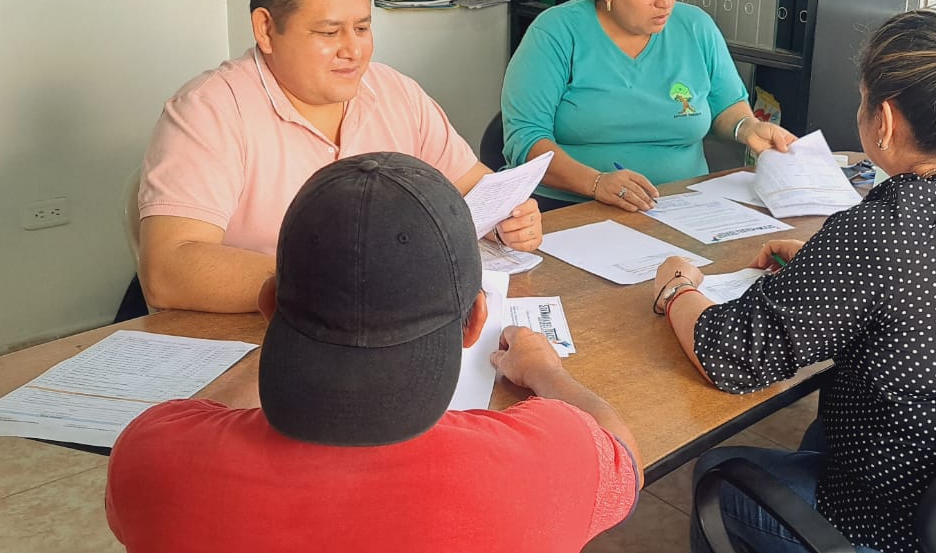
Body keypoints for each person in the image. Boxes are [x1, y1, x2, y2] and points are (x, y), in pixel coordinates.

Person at [650, 0, 936, 553]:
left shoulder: (883, 232)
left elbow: (730, 356)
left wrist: (677, 285)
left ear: (884, 120)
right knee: (822, 432)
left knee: (720, 474)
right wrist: (826, 266)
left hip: (911, 527)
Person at [107, 152, 640, 552]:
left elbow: (195, 417)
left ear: (269, 304)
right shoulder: (548, 459)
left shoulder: (152, 458)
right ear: (476, 319)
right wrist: (547, 372)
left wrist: (292, 327)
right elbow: (623, 459)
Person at [137, 0, 542, 314]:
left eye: (362, 28)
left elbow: (474, 190)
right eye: (329, 32)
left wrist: (507, 222)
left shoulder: (396, 93)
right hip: (264, 331)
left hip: (390, 327)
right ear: (266, 29)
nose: (354, 50)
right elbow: (168, 270)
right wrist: (341, 282)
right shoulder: (208, 111)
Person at [500, 0, 798, 212]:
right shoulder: (556, 33)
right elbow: (525, 140)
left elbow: (726, 108)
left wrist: (747, 128)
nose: (665, 0)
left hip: (683, 207)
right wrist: (596, 183)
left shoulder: (696, 27)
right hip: (566, 209)